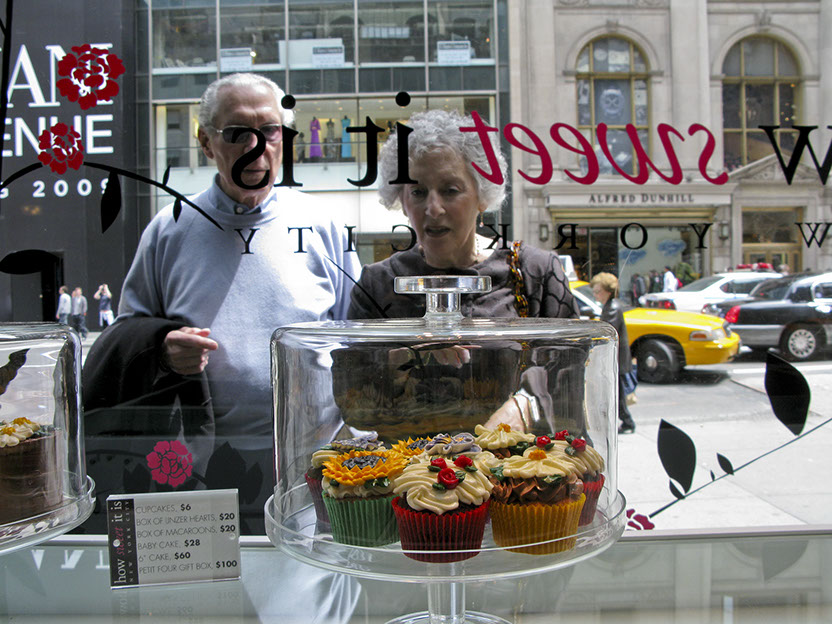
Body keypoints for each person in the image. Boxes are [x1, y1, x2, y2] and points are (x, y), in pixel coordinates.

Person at [82, 73, 360, 532]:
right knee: (214, 575)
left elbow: (356, 337)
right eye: (236, 133)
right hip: (196, 467)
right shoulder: (169, 228)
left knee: (303, 574)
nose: (255, 146)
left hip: (311, 462)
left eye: (269, 131)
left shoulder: (322, 224)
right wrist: (163, 348)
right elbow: (129, 336)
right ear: (206, 143)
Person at [348, 109, 579, 433]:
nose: (433, 208)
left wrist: (527, 405)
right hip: (405, 463)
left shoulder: (535, 273)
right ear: (401, 199)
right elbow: (353, 406)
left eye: (450, 190)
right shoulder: (377, 285)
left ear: (482, 195)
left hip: (515, 462)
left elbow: (573, 376)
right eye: (417, 192)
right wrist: (399, 359)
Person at [590, 272, 636, 434]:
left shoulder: (612, 308)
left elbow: (606, 331)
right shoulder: (611, 306)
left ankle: (627, 422)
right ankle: (626, 421)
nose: (595, 295)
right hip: (616, 358)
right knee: (617, 393)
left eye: (598, 291)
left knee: (617, 393)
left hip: (616, 359)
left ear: (608, 291)